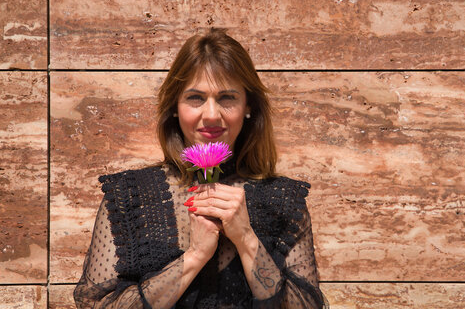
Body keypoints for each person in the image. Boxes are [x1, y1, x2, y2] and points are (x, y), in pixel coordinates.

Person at [73, 28, 328, 308]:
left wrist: (246, 240)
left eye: (227, 98)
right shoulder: (130, 197)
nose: (210, 115)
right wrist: (194, 257)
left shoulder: (284, 201)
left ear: (248, 107)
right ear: (174, 106)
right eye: (195, 98)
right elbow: (96, 304)